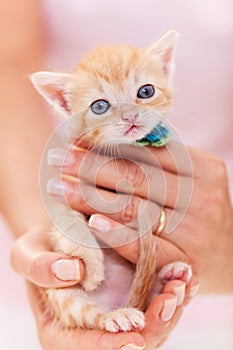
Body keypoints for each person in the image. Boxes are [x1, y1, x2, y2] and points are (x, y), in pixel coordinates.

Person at [1, 0, 233, 349]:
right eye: (100, 106)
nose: (129, 117)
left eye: (144, 93)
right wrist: (44, 237)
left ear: (166, 69)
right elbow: (7, 64)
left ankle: (155, 283)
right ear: (65, 105)